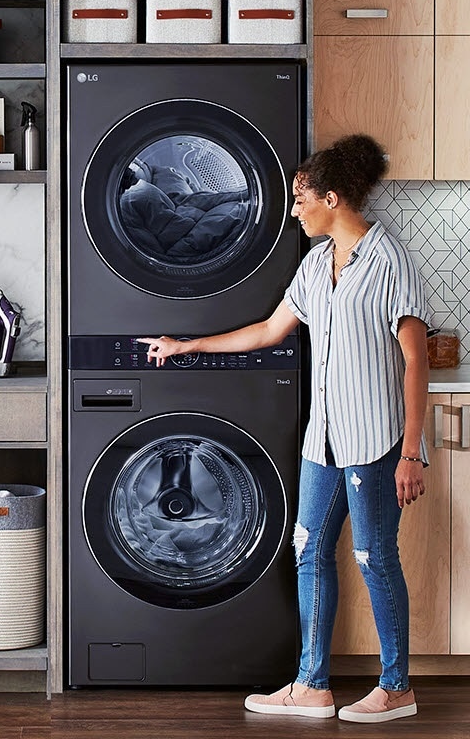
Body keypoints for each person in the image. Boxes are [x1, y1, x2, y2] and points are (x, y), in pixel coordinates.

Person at [138, 134, 430, 724]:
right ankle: (312, 685)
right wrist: (186, 345)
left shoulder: (388, 260)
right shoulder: (316, 264)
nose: (293, 209)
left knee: (374, 557)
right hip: (322, 440)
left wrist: (411, 453)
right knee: (308, 550)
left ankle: (397, 686)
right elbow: (269, 330)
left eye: (301, 198)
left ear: (331, 196)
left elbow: (416, 360)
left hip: (375, 443)